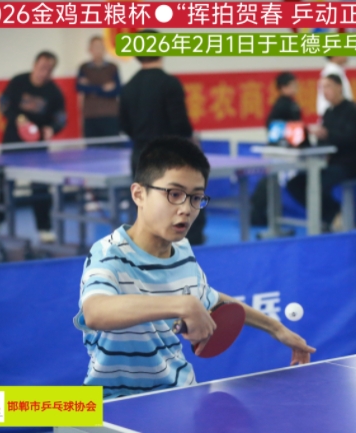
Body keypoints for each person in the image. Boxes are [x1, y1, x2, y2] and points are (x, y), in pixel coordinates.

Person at [73, 137, 316, 399]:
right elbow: (96, 312)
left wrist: (276, 329)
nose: (186, 209)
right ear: (139, 194)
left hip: (177, 396)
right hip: (108, 401)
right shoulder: (108, 252)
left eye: (196, 198)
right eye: (174, 194)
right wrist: (182, 305)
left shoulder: (183, 251)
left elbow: (212, 299)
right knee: (40, 408)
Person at [119, 30, 205, 245]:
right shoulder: (169, 83)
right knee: (182, 206)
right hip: (171, 157)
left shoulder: (128, 87)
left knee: (149, 207)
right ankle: (188, 247)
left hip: (140, 156)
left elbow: (124, 125)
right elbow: (180, 124)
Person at [0, 51, 66, 243]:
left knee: (40, 187)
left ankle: (44, 228)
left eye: (49, 69)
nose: (44, 72)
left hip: (37, 148)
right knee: (3, 185)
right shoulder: (18, 82)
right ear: (34, 65)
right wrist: (18, 118)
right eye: (42, 67)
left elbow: (61, 119)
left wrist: (51, 128)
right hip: (12, 144)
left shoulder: (54, 92)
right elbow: (3, 104)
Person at [287, 74, 356, 230]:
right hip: (327, 163)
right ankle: (332, 214)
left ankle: (333, 216)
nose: (325, 91)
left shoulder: (352, 111)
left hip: (347, 164)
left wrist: (328, 134)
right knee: (295, 184)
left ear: (339, 87)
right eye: (322, 88)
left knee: (317, 184)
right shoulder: (328, 113)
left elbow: (352, 138)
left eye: (328, 86)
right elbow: (322, 143)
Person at [251, 72, 305, 226]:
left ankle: (262, 213)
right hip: (281, 151)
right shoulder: (283, 105)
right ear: (283, 87)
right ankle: (258, 212)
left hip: (284, 149)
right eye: (292, 85)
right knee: (272, 180)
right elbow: (274, 127)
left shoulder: (289, 103)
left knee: (273, 180)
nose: (296, 88)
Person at [77, 36, 121, 138]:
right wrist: (103, 88)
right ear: (90, 49)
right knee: (92, 146)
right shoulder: (84, 68)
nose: (98, 50)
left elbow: (117, 90)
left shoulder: (112, 67)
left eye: (100, 47)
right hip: (90, 115)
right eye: (95, 47)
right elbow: (80, 87)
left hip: (110, 115)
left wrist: (91, 87)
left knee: (112, 145)